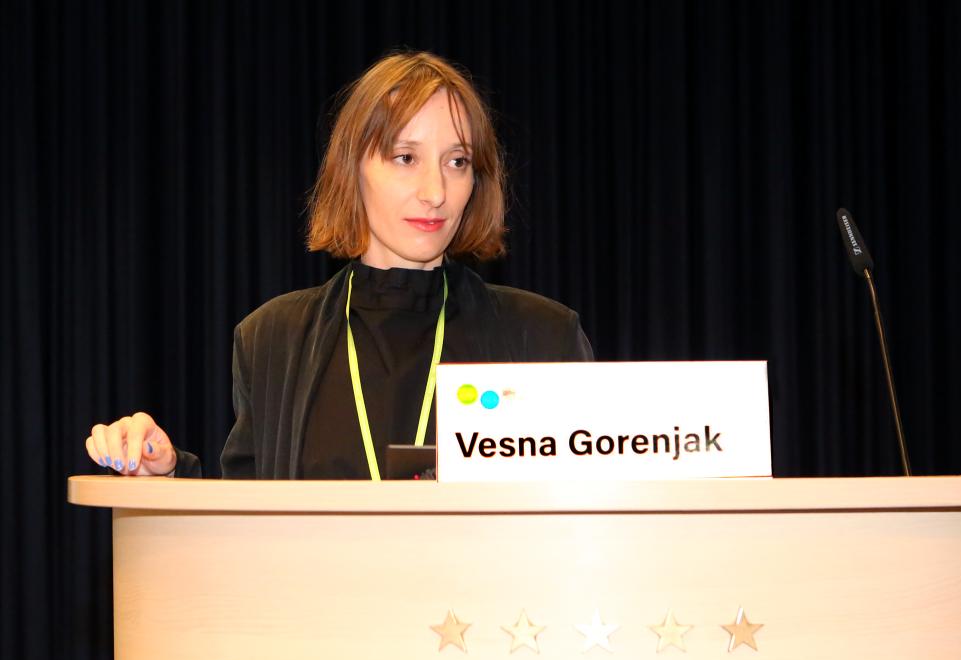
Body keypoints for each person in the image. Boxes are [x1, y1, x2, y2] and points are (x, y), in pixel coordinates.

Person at [84, 51, 593, 480]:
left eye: (457, 161)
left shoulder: (544, 336)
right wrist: (164, 474)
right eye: (405, 157)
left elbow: (596, 521)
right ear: (352, 169)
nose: (436, 191)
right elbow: (245, 525)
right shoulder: (272, 338)